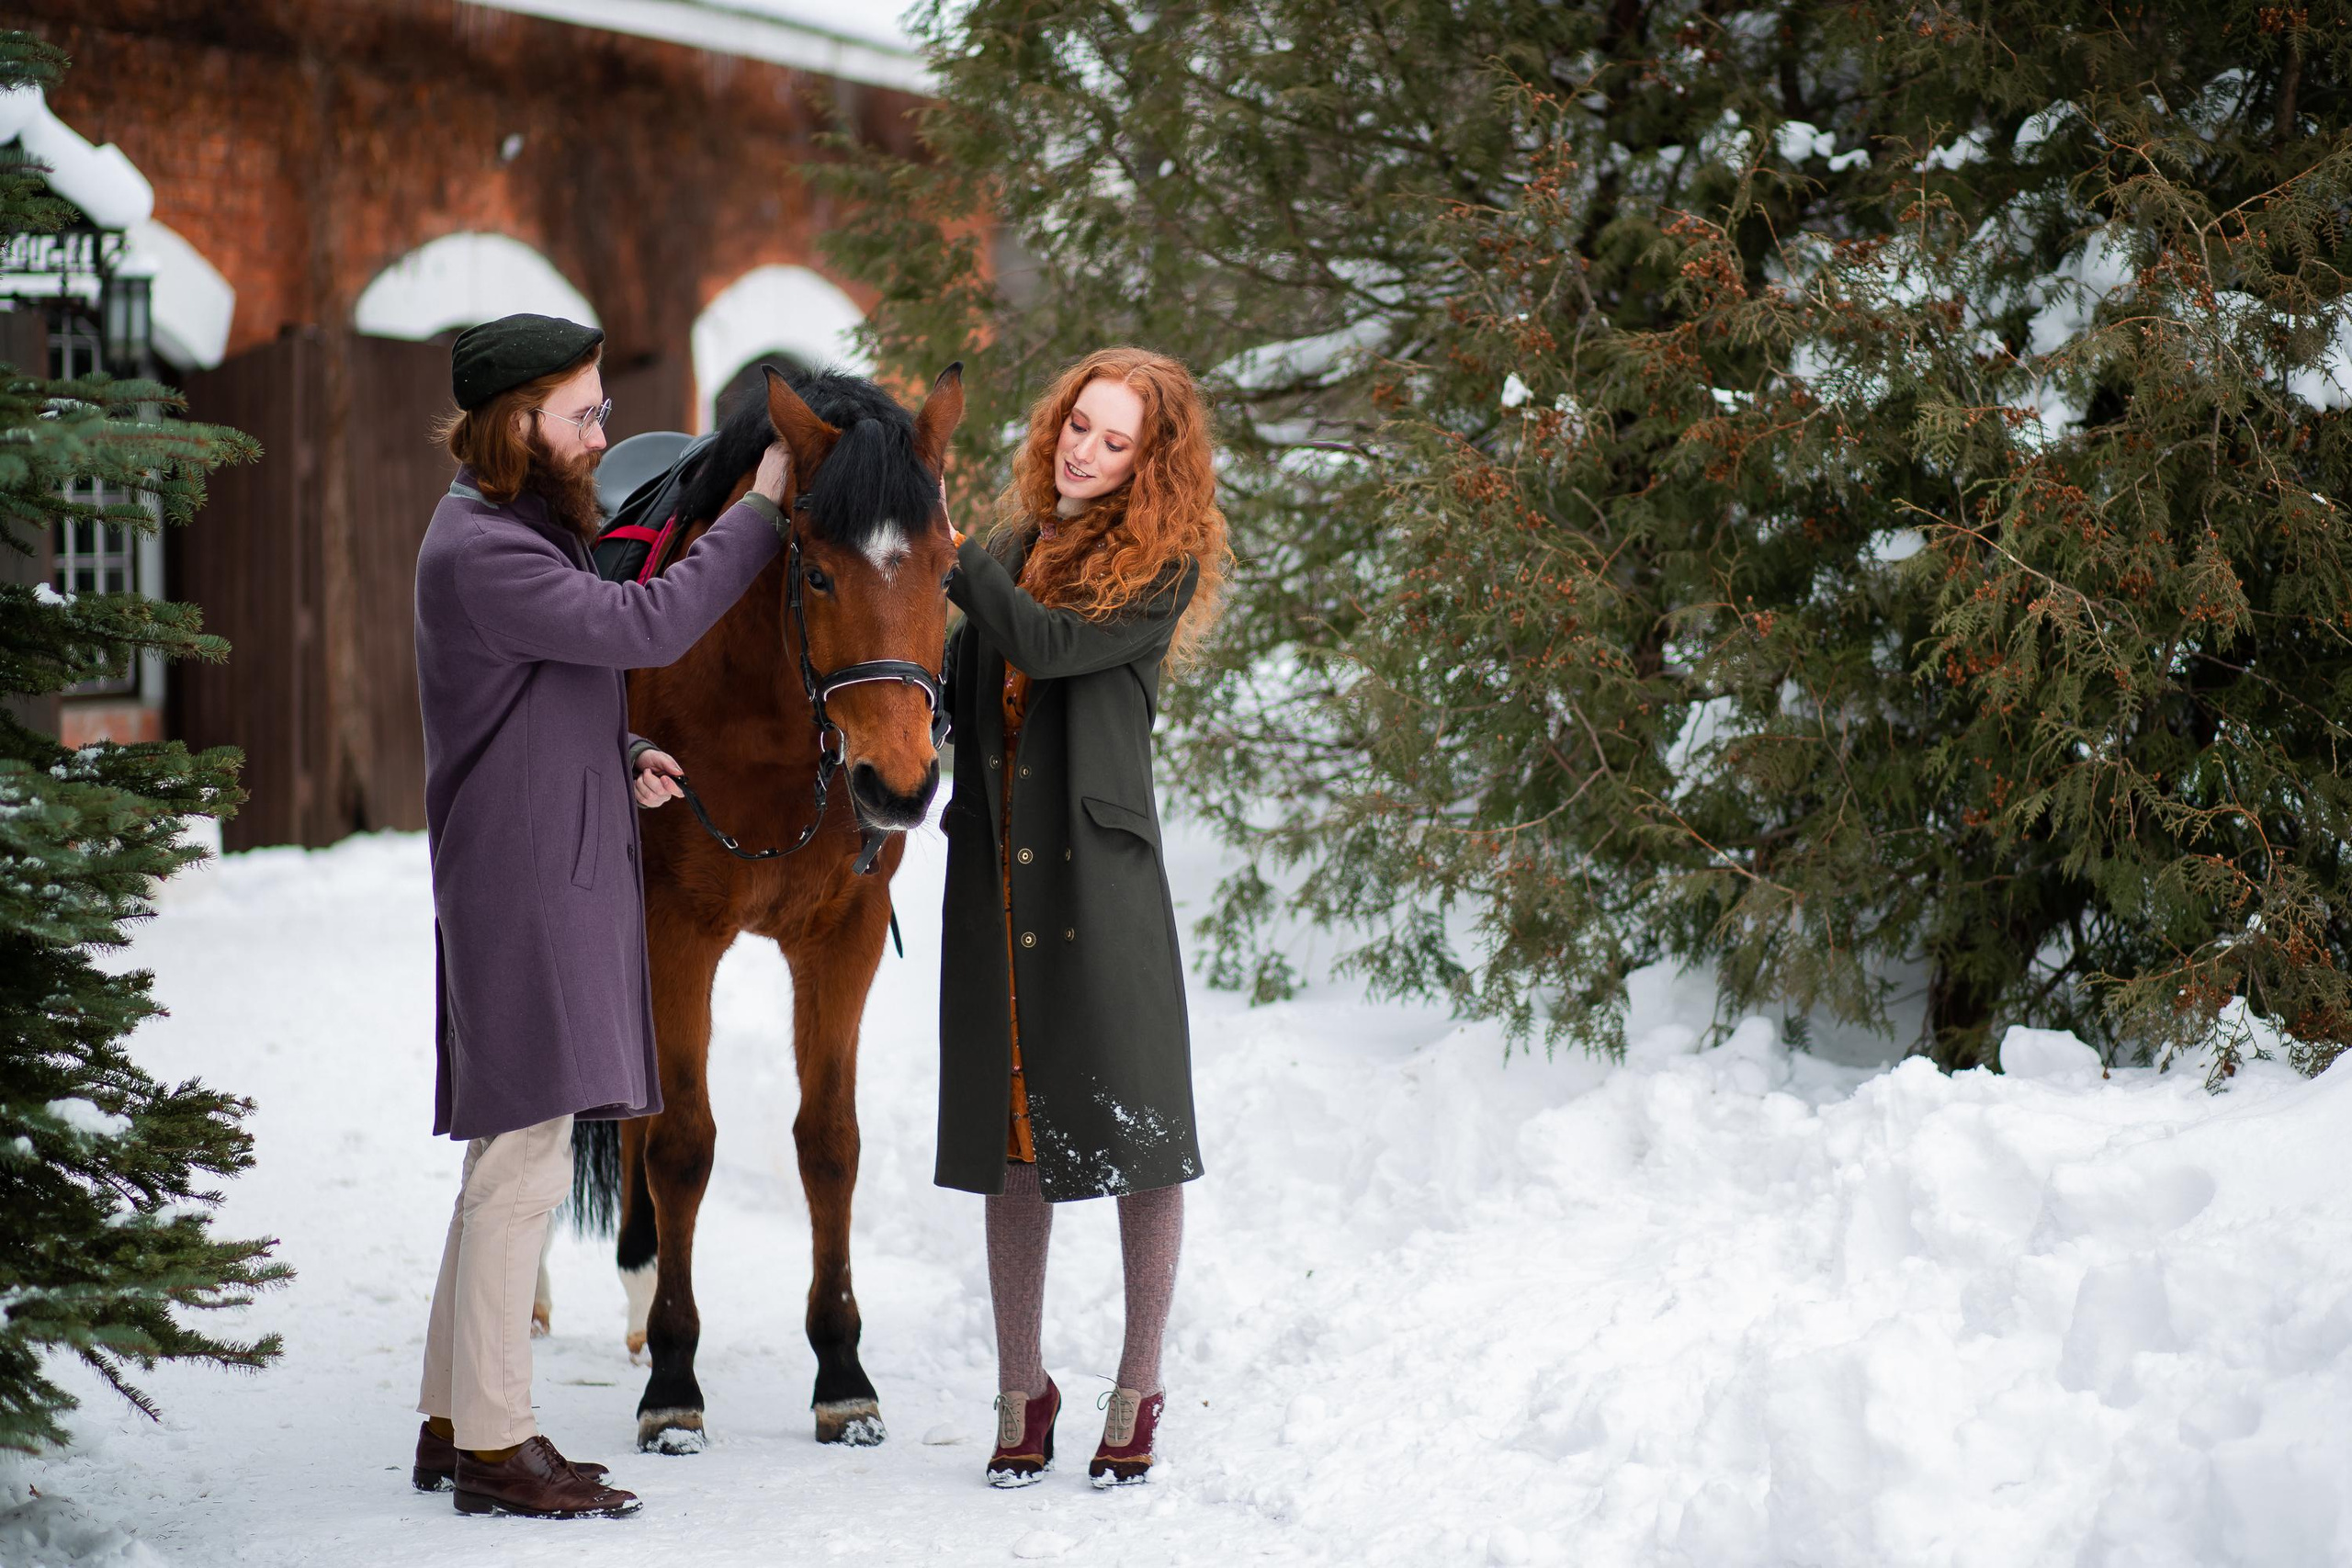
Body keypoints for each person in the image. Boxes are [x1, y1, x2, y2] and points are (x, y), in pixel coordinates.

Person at [407, 313, 791, 1518]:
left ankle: (450, 1417)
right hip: (524, 877)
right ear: (515, 422)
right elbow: (644, 625)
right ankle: (498, 1442)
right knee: (522, 1154)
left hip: (539, 847)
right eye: (581, 413)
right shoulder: (486, 547)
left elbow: (542, 679)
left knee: (500, 1157)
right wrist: (762, 512)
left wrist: (614, 747)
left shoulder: (517, 523)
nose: (601, 432)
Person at [934, 346, 1230, 1487]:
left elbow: (1047, 649)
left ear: (1152, 461)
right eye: (1079, 426)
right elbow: (962, 695)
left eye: (1116, 440)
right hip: (998, 877)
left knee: (1137, 1128)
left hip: (1098, 885)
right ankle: (1022, 1388)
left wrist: (956, 563)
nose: (1087, 451)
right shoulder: (1008, 551)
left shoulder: (1162, 562)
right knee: (1013, 1140)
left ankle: (1137, 1383)